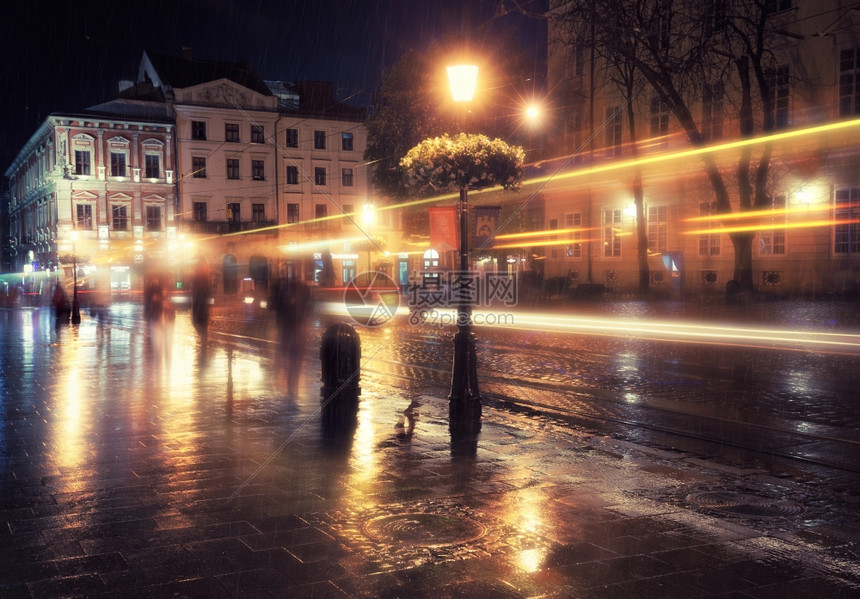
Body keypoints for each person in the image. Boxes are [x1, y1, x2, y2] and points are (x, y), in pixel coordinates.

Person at [270, 274, 313, 396]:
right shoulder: (300, 292)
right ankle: (292, 377)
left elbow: (277, 307)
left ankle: (291, 374)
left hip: (289, 327)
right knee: (294, 355)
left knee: (290, 352)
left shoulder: (285, 292)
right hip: (295, 327)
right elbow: (308, 308)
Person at [190, 260, 212, 334]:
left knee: (199, 323)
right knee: (199, 323)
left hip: (201, 302)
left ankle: (203, 342)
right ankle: (203, 339)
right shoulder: (198, 276)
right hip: (199, 302)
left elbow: (207, 291)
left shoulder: (203, 277)